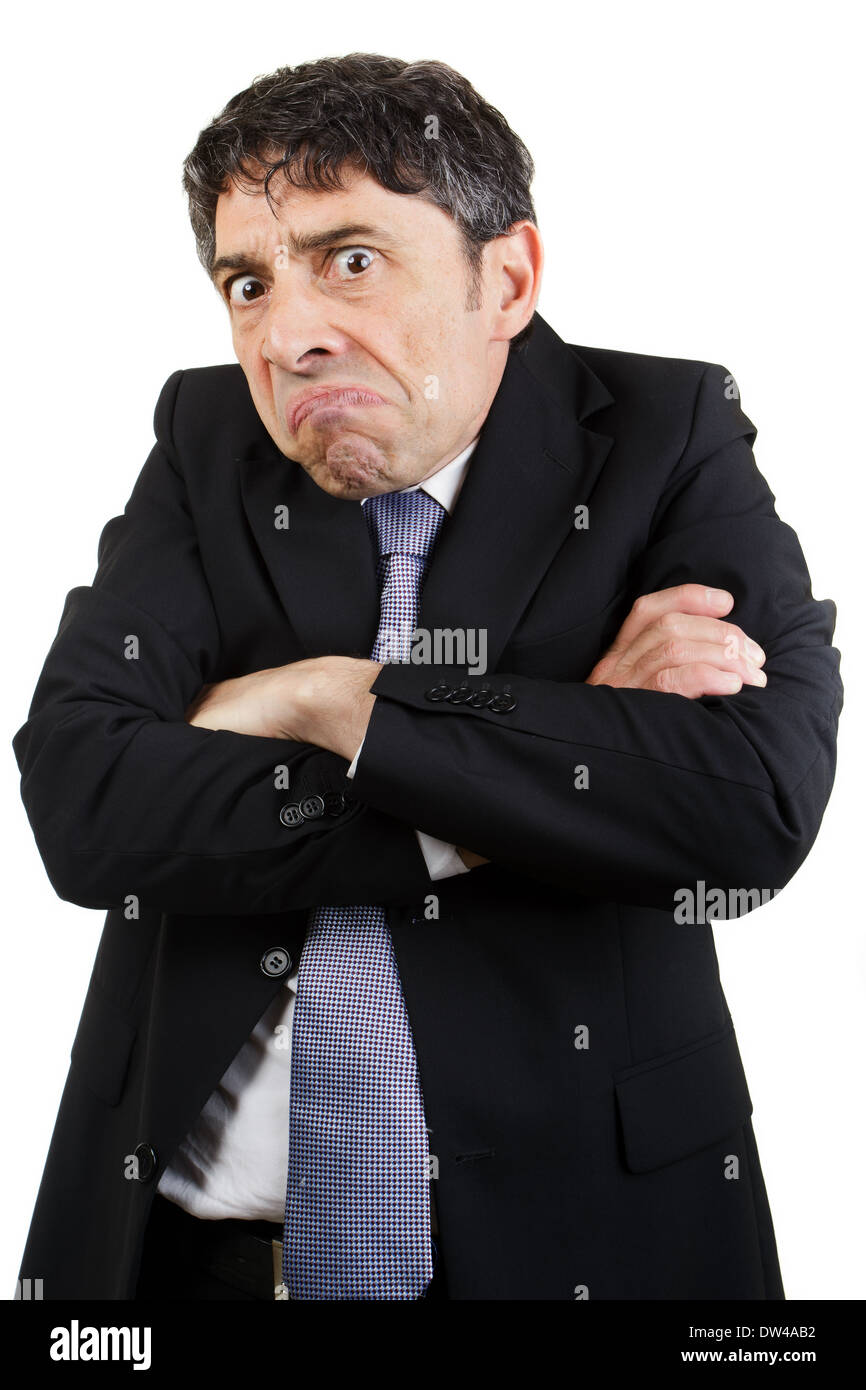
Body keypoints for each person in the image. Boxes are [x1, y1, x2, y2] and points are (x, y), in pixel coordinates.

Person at [12, 53, 841, 1301]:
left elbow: (748, 811)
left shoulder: (664, 433)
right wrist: (558, 761)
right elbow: (82, 803)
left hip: (583, 1251)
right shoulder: (207, 441)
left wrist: (316, 698)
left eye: (349, 259)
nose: (286, 334)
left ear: (504, 278)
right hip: (186, 1259)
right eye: (247, 281)